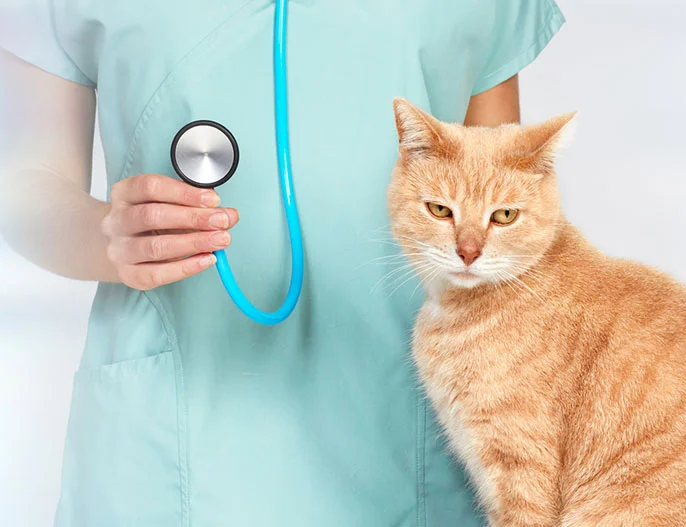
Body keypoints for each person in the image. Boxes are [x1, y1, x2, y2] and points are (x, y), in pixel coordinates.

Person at [0, 1, 564, 525]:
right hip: (168, 447)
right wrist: (111, 236)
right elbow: (23, 186)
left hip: (411, 432)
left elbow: (506, 193)